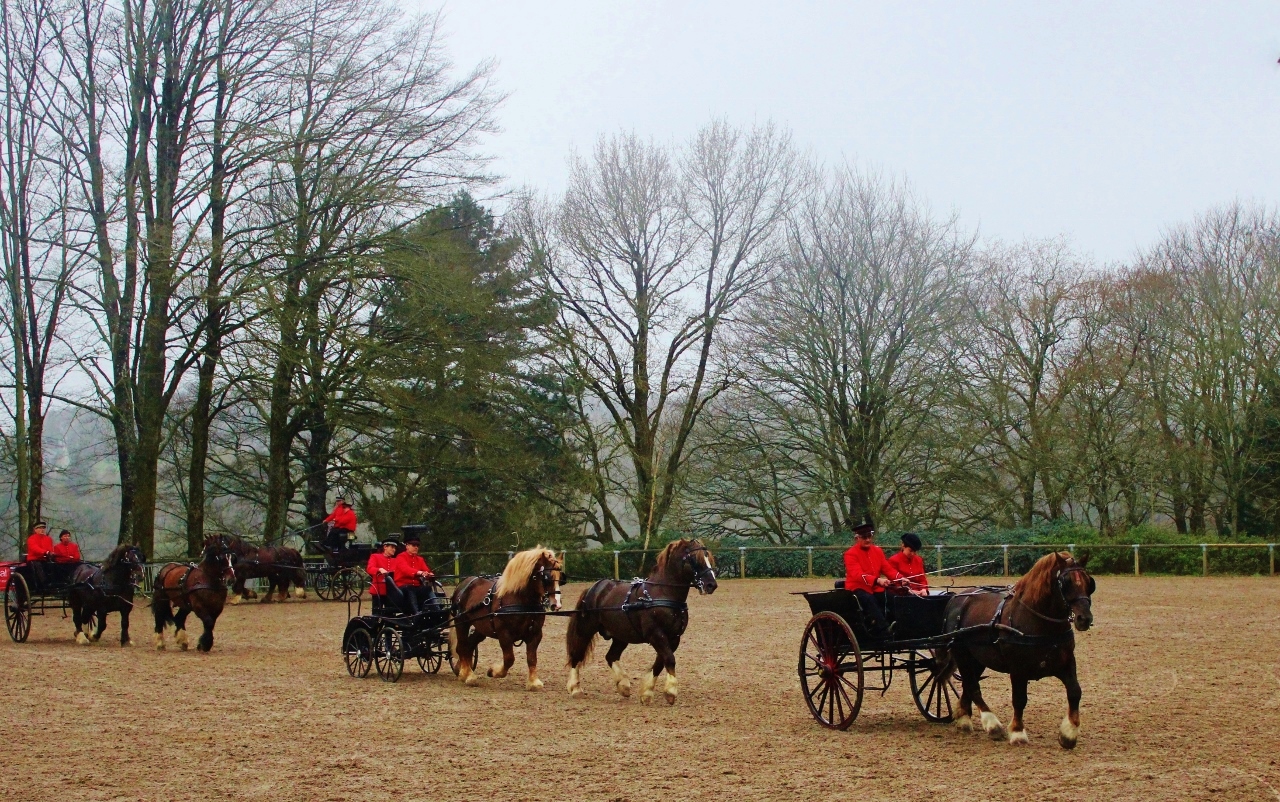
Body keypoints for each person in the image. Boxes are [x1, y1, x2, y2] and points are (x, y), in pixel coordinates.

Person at [842, 520, 906, 637]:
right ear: (857, 538)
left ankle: (899, 625)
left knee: (893, 597)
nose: (867, 540)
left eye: (869, 536)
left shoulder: (878, 551)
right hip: (857, 588)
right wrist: (877, 580)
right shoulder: (850, 554)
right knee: (868, 599)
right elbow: (857, 575)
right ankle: (883, 629)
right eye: (864, 537)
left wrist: (901, 578)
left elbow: (888, 569)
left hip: (875, 588)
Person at [390, 536, 435, 615]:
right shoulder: (401, 557)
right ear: (407, 546)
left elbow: (426, 570)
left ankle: (435, 608)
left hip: (416, 586)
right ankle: (416, 612)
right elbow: (405, 569)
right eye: (413, 545)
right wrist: (419, 572)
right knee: (410, 588)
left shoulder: (420, 559)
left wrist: (429, 574)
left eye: (417, 546)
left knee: (427, 587)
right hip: (402, 586)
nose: (416, 547)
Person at [366, 540, 398, 613]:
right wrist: (379, 569)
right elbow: (370, 568)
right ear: (385, 547)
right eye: (392, 547)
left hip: (391, 591)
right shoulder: (375, 556)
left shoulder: (395, 560)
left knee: (390, 613)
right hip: (378, 590)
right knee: (376, 613)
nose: (394, 549)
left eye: (395, 548)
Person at [24, 521, 54, 589]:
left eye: (43, 528)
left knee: (54, 565)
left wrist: (50, 553)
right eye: (40, 528)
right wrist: (45, 552)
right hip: (34, 559)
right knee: (38, 565)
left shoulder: (48, 539)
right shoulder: (31, 539)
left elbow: (50, 549)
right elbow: (35, 548)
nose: (42, 530)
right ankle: (44, 583)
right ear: (35, 530)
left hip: (45, 559)